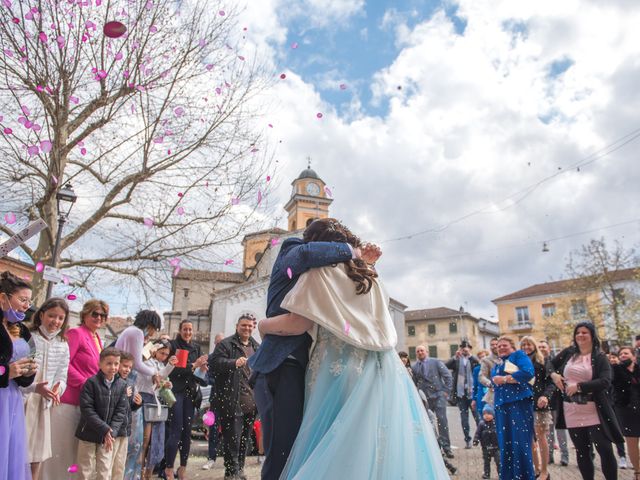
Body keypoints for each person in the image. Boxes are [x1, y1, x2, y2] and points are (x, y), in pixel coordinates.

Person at [258, 219, 450, 479]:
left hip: (336, 366)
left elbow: (299, 322)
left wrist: (263, 325)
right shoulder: (372, 277)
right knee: (374, 441)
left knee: (333, 441)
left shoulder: (319, 273)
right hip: (382, 369)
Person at [248, 217, 376, 480]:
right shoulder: (293, 248)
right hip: (280, 365)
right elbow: (307, 255)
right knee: (281, 452)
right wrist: (354, 252)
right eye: (335, 250)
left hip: (296, 367)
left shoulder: (320, 274)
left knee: (294, 448)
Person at [43, 299, 109, 480]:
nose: (98, 317)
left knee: (74, 453)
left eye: (102, 315)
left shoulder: (97, 339)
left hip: (85, 404)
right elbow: (64, 365)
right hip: (68, 401)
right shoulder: (76, 333)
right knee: (60, 451)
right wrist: (86, 384)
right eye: (94, 313)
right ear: (85, 314)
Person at [550, 322, 624, 480]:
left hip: (594, 409)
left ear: (592, 335)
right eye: (578, 332)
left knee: (604, 449)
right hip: (571, 410)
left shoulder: (599, 356)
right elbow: (548, 364)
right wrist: (554, 375)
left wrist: (579, 386)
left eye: (585, 332)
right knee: (582, 451)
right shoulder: (569, 352)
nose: (580, 335)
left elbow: (605, 381)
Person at [22, 297, 70, 480]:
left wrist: (58, 389)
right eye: (51, 316)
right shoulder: (29, 336)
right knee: (21, 451)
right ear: (41, 314)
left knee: (37, 455)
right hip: (25, 399)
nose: (55, 321)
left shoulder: (63, 344)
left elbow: (62, 374)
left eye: (60, 318)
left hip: (44, 402)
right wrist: (34, 388)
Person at [210, 315, 261, 480]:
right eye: (243, 325)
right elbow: (214, 364)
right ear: (237, 326)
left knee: (244, 440)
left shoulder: (256, 346)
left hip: (251, 402)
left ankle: (240, 470)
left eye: (250, 326)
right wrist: (233, 363)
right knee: (232, 440)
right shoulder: (226, 344)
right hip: (231, 401)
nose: (247, 328)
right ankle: (231, 473)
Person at [115, 310, 162, 479]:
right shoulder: (136, 332)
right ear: (150, 325)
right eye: (154, 329)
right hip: (127, 383)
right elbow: (137, 363)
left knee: (134, 437)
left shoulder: (130, 332)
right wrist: (155, 371)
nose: (153, 333)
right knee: (134, 439)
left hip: (126, 382)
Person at [0, 271, 37, 480]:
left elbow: (31, 355)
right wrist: (6, 372)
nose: (26, 305)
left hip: (12, 399)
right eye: (22, 299)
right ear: (3, 297)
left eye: (28, 301)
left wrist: (28, 373)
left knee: (9, 450)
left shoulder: (22, 329)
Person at [75, 347, 129, 480]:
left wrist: (111, 432)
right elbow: (87, 409)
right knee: (84, 469)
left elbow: (121, 412)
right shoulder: (91, 383)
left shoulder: (122, 385)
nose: (113, 367)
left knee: (105, 470)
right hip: (88, 433)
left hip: (108, 437)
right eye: (109, 363)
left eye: (116, 364)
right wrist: (104, 429)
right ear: (100, 364)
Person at [165, 320, 208, 480]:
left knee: (187, 432)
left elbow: (198, 374)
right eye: (185, 329)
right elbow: (174, 370)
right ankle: (169, 468)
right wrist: (194, 365)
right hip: (176, 392)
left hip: (191, 393)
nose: (188, 332)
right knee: (176, 430)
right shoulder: (173, 345)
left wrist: (202, 369)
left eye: (190, 330)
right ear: (180, 330)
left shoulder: (196, 347)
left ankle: (182, 467)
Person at [491, 335, 535, 480]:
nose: (501, 348)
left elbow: (528, 372)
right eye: (499, 346)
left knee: (520, 443)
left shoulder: (518, 355)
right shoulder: (497, 364)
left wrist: (504, 379)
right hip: (501, 407)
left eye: (504, 345)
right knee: (506, 444)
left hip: (518, 404)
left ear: (512, 347)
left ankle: (524, 476)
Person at [137, 339, 176, 480]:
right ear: (155, 350)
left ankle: (148, 473)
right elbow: (154, 377)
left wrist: (167, 384)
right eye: (162, 353)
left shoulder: (161, 364)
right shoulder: (146, 362)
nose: (163, 356)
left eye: (166, 354)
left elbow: (161, 379)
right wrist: (167, 370)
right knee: (145, 439)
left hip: (157, 402)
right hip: (144, 400)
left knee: (157, 439)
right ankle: (139, 472)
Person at [521, 336, 555, 480]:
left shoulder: (543, 361)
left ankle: (545, 471)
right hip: (523, 404)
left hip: (539, 404)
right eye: (523, 345)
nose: (526, 347)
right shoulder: (518, 362)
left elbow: (551, 383)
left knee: (541, 437)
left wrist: (545, 396)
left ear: (534, 345)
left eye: (529, 344)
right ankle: (536, 468)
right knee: (530, 439)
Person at [412, 344, 454, 458]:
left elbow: (448, 376)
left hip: (439, 395)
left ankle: (447, 448)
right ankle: (435, 447)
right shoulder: (415, 367)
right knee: (429, 423)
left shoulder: (436, 362)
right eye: (418, 351)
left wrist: (446, 392)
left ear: (426, 352)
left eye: (422, 350)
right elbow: (414, 383)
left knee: (442, 421)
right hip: (425, 399)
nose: (420, 352)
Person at [111, 351, 143, 480]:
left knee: (120, 464)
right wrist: (122, 394)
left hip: (124, 430)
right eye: (125, 366)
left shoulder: (130, 382)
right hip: (112, 430)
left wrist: (137, 404)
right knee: (109, 463)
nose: (127, 370)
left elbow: (128, 407)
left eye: (130, 367)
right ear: (117, 364)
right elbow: (108, 403)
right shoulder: (112, 381)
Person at [539, 339, 569, 467]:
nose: (541, 348)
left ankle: (564, 456)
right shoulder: (537, 362)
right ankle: (549, 456)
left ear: (549, 349)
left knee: (560, 429)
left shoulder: (555, 361)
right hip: (544, 402)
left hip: (557, 399)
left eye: (544, 346)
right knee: (548, 431)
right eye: (539, 346)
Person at [612, 346, 640, 479]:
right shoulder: (616, 370)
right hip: (626, 410)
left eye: (626, 353)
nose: (623, 355)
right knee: (632, 442)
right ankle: (637, 472)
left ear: (634, 356)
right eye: (621, 354)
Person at [446, 341, 479, 448]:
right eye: (463, 348)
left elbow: (479, 368)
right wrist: (455, 357)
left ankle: (481, 438)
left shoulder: (473, 360)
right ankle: (467, 440)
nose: (465, 349)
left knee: (477, 417)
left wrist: (471, 357)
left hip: (472, 392)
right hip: (461, 394)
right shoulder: (456, 360)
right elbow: (446, 366)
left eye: (467, 348)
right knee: (464, 419)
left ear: (470, 349)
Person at [203, 332, 225, 471]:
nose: (219, 346)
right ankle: (211, 458)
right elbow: (206, 379)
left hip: (230, 400)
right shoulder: (210, 359)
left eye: (222, 343)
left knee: (230, 430)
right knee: (212, 429)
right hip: (214, 400)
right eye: (217, 343)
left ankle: (230, 461)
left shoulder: (231, 357)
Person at [473, 404, 500, 479]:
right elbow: (477, 433)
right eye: (484, 414)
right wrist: (476, 440)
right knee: (486, 462)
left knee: (499, 461)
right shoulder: (481, 424)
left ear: (493, 414)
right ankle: (487, 474)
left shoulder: (497, 424)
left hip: (496, 447)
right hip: (485, 447)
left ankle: (501, 474)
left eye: (489, 413)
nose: (486, 415)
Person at [478, 337, 500, 406]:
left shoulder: (509, 357)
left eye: (496, 344)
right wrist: (491, 384)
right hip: (494, 394)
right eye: (492, 345)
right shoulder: (486, 360)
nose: (494, 346)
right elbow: (481, 376)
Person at [472, 349, 489, 423]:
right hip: (481, 395)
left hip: (491, 393)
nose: (482, 358)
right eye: (480, 357)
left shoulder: (492, 366)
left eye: (484, 356)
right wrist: (474, 399)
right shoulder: (476, 369)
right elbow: (475, 385)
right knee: (483, 416)